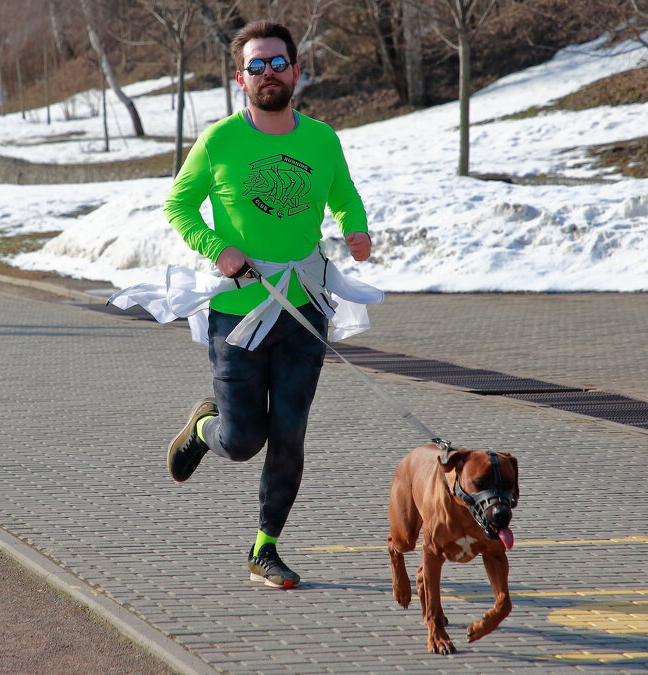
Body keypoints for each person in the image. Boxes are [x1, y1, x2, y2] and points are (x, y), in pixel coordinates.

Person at [115, 21, 380, 589]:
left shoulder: (322, 140)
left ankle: (266, 546)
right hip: (238, 313)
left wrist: (356, 231)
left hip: (304, 306)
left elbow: (345, 195)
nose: (268, 74)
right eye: (256, 66)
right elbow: (178, 207)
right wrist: (219, 248)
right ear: (241, 78)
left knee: (289, 430)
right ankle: (204, 427)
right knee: (243, 441)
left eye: (277, 63)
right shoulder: (219, 141)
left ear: (296, 72)